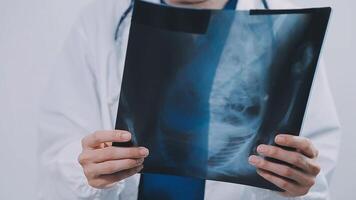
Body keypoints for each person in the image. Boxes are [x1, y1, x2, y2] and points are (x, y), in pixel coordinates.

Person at [38, 0, 341, 199]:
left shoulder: (289, 26)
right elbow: (60, 144)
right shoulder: (106, 18)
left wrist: (297, 185)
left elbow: (317, 160)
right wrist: (88, 168)